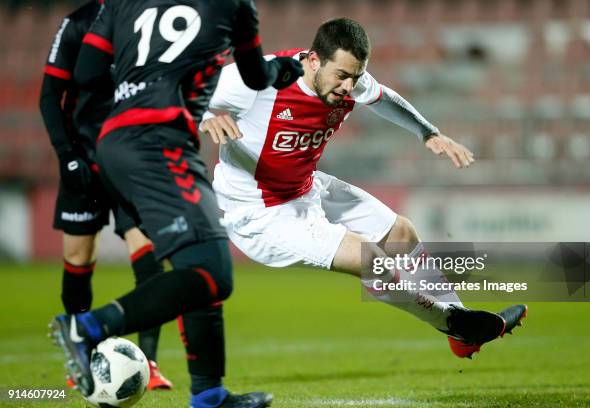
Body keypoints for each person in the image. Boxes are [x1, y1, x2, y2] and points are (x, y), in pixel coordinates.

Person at [199, 18, 527, 360]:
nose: (349, 86)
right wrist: (206, 115)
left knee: (401, 232)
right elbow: (180, 94)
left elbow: (384, 97)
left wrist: (428, 132)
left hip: (304, 187)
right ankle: (452, 322)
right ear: (313, 60)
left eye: (356, 76)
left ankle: (464, 331)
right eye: (342, 75)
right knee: (371, 261)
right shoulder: (258, 77)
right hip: (260, 212)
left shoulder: (351, 81)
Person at [48, 1, 303, 407]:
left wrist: (139, 78)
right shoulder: (234, 5)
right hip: (159, 143)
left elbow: (87, 72)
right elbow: (257, 75)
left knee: (198, 265)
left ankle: (210, 395)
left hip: (115, 141)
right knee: (212, 271)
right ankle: (88, 328)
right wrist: (283, 72)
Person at [39, 0, 172, 390]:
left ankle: (149, 362)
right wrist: (67, 156)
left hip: (130, 157)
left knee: (148, 253)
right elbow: (50, 96)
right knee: (78, 257)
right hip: (84, 156)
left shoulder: (150, 22)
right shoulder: (76, 25)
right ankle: (84, 356)